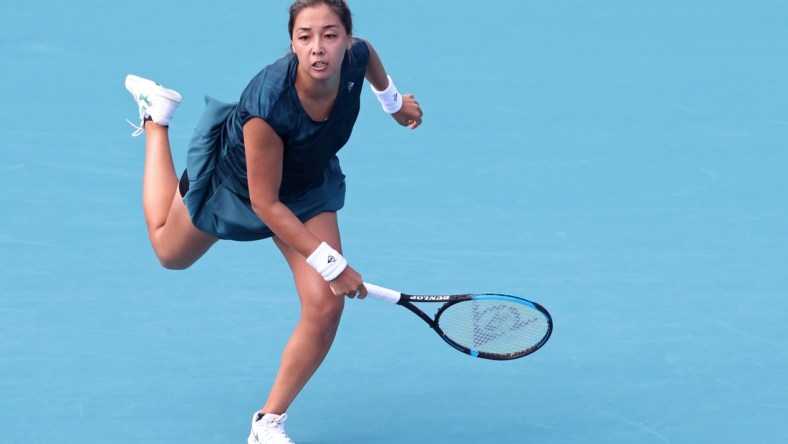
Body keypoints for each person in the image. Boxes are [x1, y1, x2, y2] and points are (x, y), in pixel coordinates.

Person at [123, 1, 423, 442]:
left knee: (325, 306)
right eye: (305, 37)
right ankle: (157, 119)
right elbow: (266, 204)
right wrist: (333, 265)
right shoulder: (269, 104)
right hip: (241, 188)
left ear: (346, 39)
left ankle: (268, 423)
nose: (319, 48)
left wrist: (393, 102)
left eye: (330, 35)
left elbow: (370, 56)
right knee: (169, 252)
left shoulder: (356, 56)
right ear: (293, 43)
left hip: (306, 182)